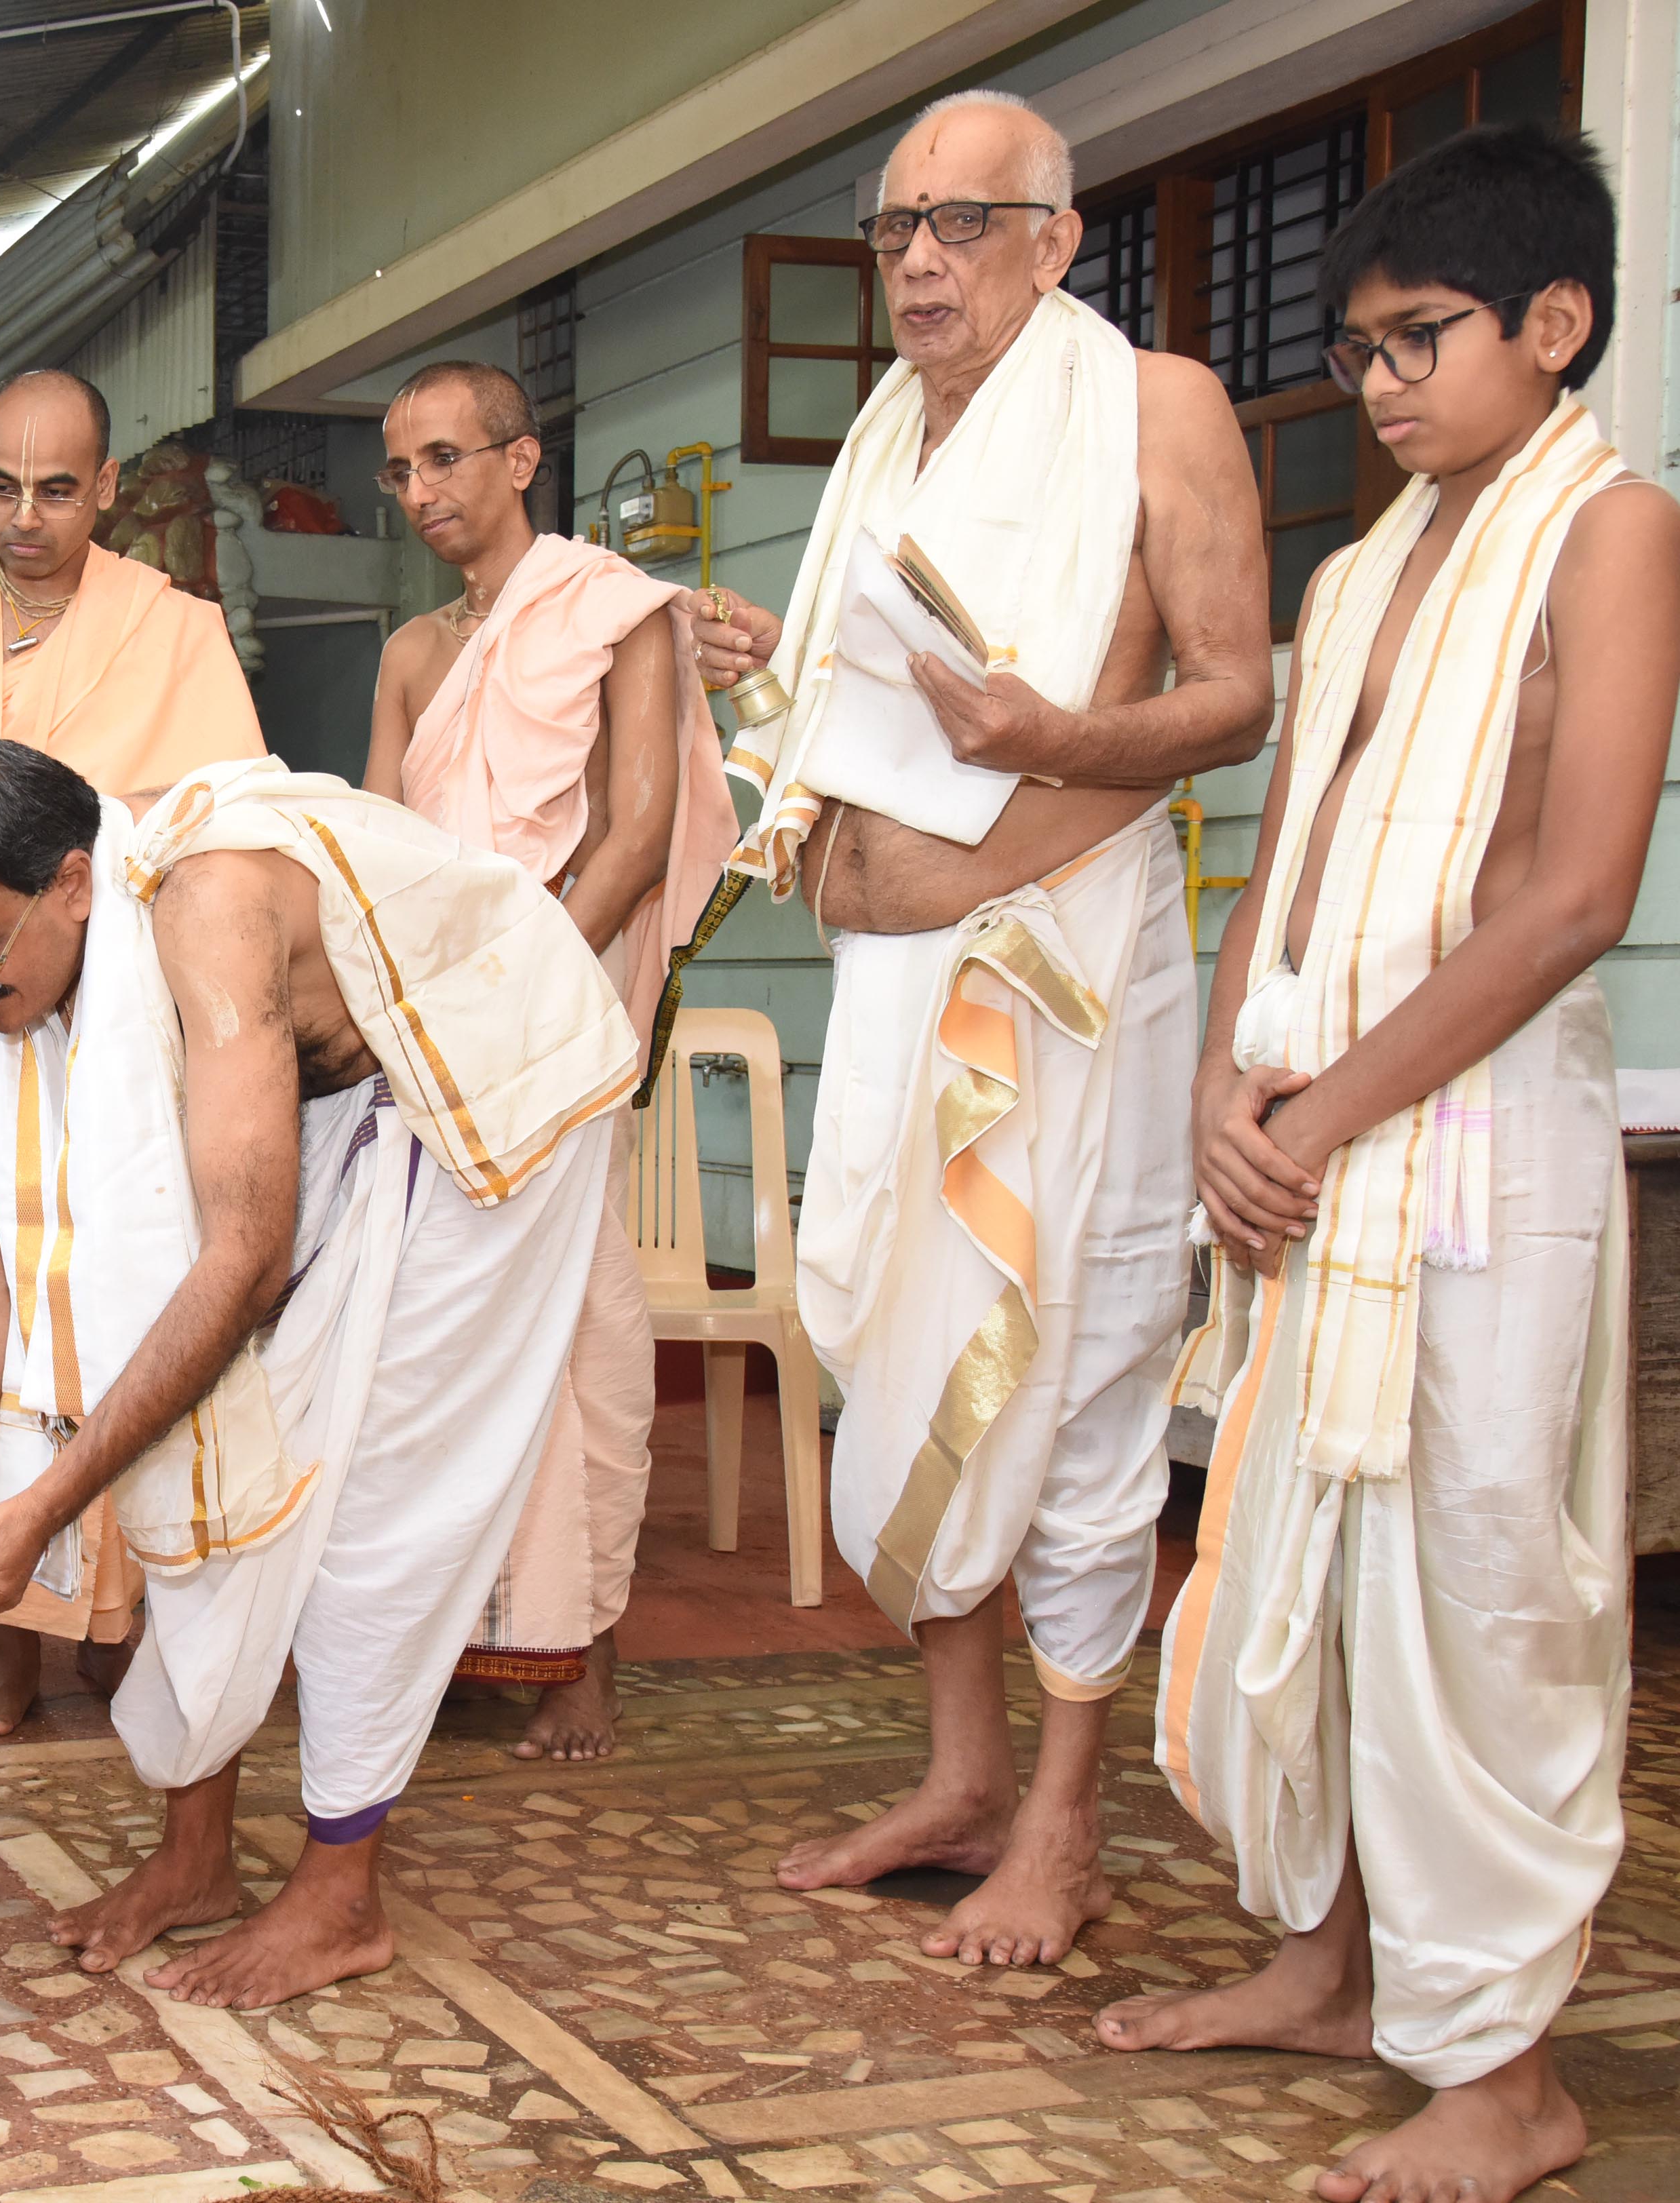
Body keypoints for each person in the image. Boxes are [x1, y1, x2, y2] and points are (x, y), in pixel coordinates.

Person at [1094, 125, 1679, 2203]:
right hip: (1304, 1130)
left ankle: (1501, 2069)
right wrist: (1218, 1096)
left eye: (1415, 339)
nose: (1377, 385)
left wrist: (1323, 1110)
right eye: (1349, 354)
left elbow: (1572, 894)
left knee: (1475, 1580)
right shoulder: (1358, 568)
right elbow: (1285, 856)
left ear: (1554, 321)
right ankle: (1338, 1962)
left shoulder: (1607, 531)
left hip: (1468, 1136)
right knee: (1317, 1565)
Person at [0, 739, 640, 2008]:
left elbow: (239, 1260)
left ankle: (341, 1898)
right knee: (206, 1461)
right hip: (325, 1094)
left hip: (482, 1105)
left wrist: (51, 1495)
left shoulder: (209, 906)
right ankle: (196, 1858)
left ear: (73, 884)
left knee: (366, 1506)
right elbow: (1, 1275)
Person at [690, 90, 1271, 1966]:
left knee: (1074, 1368)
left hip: (1060, 978)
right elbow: (879, 705)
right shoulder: (888, 433)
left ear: (1058, 236)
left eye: (964, 223)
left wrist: (1049, 744)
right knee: (901, 1354)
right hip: (887, 980)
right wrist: (759, 669)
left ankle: (1066, 1820)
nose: (921, 261)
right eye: (894, 231)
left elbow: (1235, 693)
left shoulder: (1151, 404)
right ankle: (954, 1776)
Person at [0, 367, 266, 1735]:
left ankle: (117, 1606)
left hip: (122, 1014)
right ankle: (4, 1636)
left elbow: (222, 818)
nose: (25, 517)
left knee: (113, 1293)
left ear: (106, 485)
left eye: (57, 488)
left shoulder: (174, 630)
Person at [365, 359, 734, 1763]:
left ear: (521, 461)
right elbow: (385, 853)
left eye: (447, 459)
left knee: (576, 1329)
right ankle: (466, 1632)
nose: (421, 494)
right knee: (427, 1335)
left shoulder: (615, 611)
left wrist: (508, 992)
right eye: (401, 471)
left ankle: (584, 1653)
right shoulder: (410, 654)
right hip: (431, 1034)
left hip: (552, 1018)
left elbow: (635, 837)